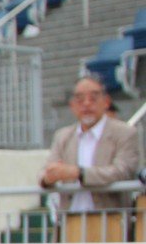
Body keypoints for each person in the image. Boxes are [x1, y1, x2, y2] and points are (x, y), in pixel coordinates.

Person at [40, 75, 141, 214]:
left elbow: (122, 171)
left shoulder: (124, 133)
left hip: (111, 221)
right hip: (71, 222)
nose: (86, 104)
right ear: (72, 106)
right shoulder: (62, 136)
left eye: (93, 98)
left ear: (106, 102)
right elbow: (45, 172)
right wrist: (48, 178)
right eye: (80, 99)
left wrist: (79, 173)